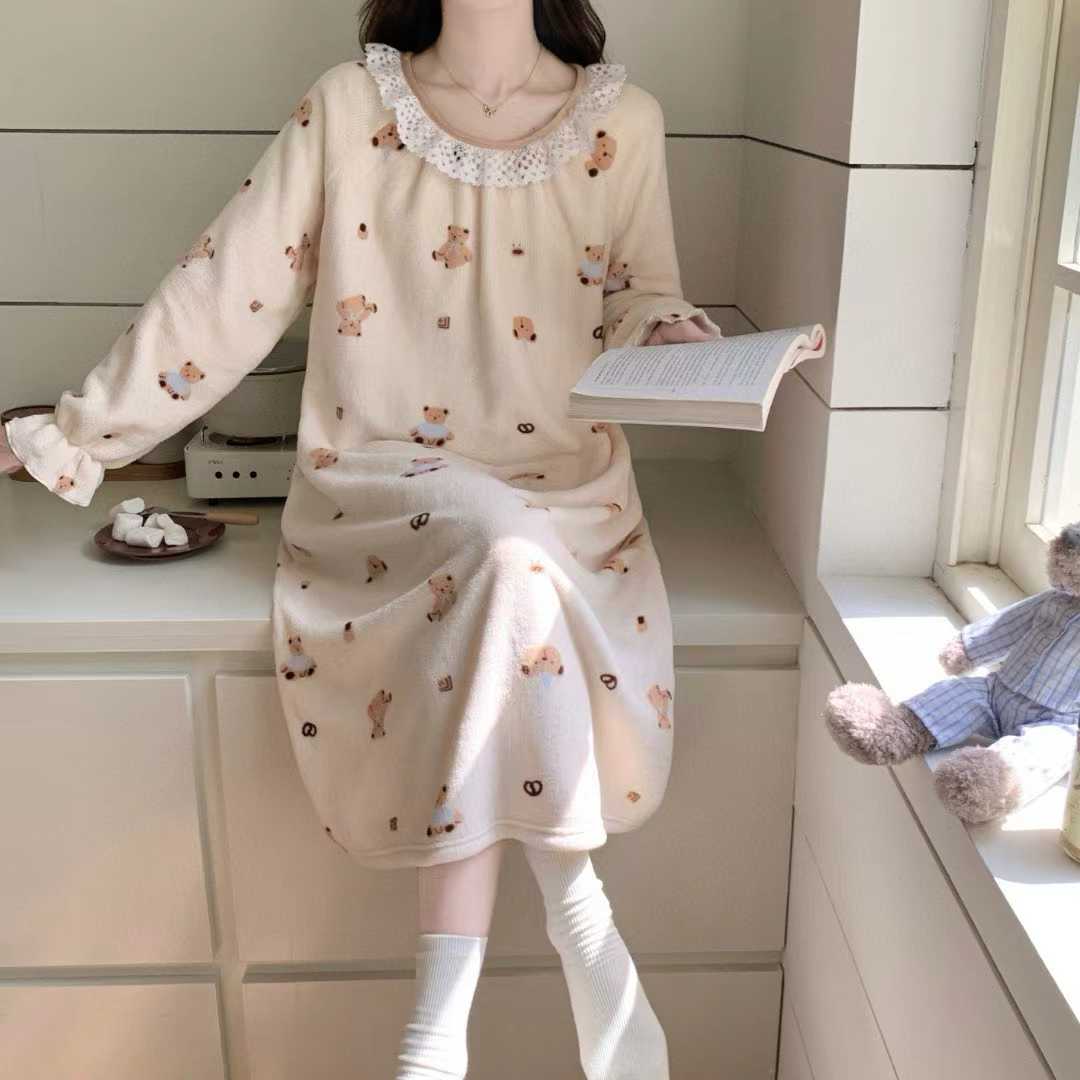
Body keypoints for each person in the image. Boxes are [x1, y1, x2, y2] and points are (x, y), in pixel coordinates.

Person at [0, 2, 721, 1076]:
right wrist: (75, 434)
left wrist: (667, 325)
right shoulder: (349, 110)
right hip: (385, 484)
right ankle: (576, 914)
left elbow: (637, 295)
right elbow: (224, 292)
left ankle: (434, 1040)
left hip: (564, 490)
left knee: (511, 562)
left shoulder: (627, 123)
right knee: (502, 554)